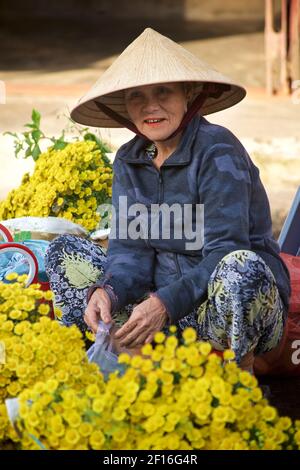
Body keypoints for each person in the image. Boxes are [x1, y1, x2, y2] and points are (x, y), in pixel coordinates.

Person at [45, 28, 291, 372]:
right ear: (125, 106)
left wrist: (164, 303)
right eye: (137, 96)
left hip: (220, 312)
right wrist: (109, 292)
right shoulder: (130, 160)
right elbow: (131, 252)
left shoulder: (217, 151)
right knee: (64, 252)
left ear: (188, 94)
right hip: (161, 312)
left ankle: (241, 371)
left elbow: (225, 250)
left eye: (164, 91)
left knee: (240, 268)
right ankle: (123, 357)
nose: (151, 106)